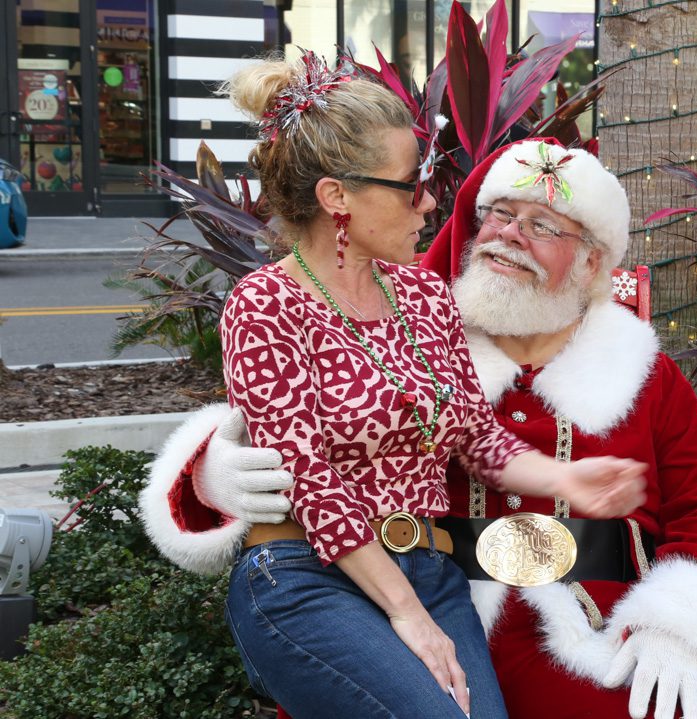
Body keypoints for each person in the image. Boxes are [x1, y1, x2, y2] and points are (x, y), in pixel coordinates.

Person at [142, 138, 697, 719]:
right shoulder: (407, 327)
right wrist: (218, 474)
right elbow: (292, 423)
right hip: (401, 604)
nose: (510, 235)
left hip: (594, 632)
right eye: (500, 214)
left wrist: (679, 624)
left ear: (591, 261)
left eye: (543, 226)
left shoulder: (642, 372)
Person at [175, 54, 646, 719]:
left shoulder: (424, 295)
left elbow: (475, 435)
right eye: (410, 185)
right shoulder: (264, 305)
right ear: (337, 197)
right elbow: (309, 481)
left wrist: (563, 477)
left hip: (429, 572)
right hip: (308, 576)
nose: (429, 202)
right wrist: (407, 614)